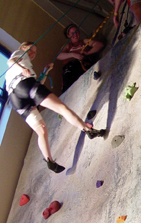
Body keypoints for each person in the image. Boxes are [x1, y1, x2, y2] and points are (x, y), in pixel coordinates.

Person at [5, 41, 105, 174]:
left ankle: (50, 161)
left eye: (34, 52)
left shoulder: (26, 67)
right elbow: (10, 61)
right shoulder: (20, 54)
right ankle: (88, 130)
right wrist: (22, 69)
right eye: (30, 49)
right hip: (23, 84)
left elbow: (38, 85)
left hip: (15, 99)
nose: (32, 53)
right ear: (23, 47)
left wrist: (46, 71)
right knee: (61, 108)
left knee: (41, 129)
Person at [57, 24, 104, 93]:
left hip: (84, 64)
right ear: (68, 36)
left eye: (76, 32)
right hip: (71, 68)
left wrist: (88, 53)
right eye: (72, 33)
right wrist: (73, 55)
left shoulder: (84, 42)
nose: (75, 35)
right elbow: (58, 56)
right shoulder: (68, 46)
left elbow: (99, 45)